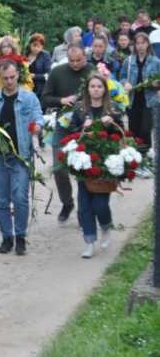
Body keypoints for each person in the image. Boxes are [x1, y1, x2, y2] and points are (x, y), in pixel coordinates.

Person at [0, 59, 44, 255]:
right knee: (2, 200)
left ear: (18, 75)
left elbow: (39, 117)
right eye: (5, 78)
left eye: (13, 77)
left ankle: (20, 236)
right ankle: (7, 237)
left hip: (21, 157)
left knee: (20, 197)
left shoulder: (29, 98)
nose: (10, 81)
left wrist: (39, 126)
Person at [66, 73, 124, 258]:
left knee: (100, 204)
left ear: (105, 89)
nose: (96, 89)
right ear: (87, 89)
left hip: (105, 162)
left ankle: (105, 227)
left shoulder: (113, 108)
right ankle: (89, 242)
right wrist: (83, 127)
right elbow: (71, 133)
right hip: (84, 161)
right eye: (93, 86)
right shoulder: (79, 109)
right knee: (85, 204)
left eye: (99, 86)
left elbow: (121, 132)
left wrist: (109, 125)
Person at [41, 42, 94, 223]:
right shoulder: (57, 72)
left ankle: (83, 211)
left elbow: (105, 94)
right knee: (59, 167)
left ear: (85, 56)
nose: (75, 64)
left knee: (83, 168)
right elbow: (45, 98)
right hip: (63, 125)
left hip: (86, 126)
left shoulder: (93, 71)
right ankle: (67, 203)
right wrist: (62, 100)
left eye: (78, 60)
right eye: (71, 60)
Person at [120, 32, 160, 178]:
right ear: (134, 45)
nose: (140, 45)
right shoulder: (129, 61)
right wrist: (126, 83)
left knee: (145, 130)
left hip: (149, 101)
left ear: (148, 44)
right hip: (133, 101)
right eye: (138, 43)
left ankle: (147, 161)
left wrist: (157, 84)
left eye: (143, 42)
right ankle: (137, 162)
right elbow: (122, 76)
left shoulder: (155, 61)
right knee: (134, 131)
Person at [26, 33, 52, 148]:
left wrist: (34, 76)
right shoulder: (24, 54)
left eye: (38, 46)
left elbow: (48, 74)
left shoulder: (45, 56)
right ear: (30, 45)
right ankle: (28, 137)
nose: (36, 48)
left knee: (38, 113)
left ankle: (40, 134)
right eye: (34, 46)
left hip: (40, 89)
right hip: (27, 88)